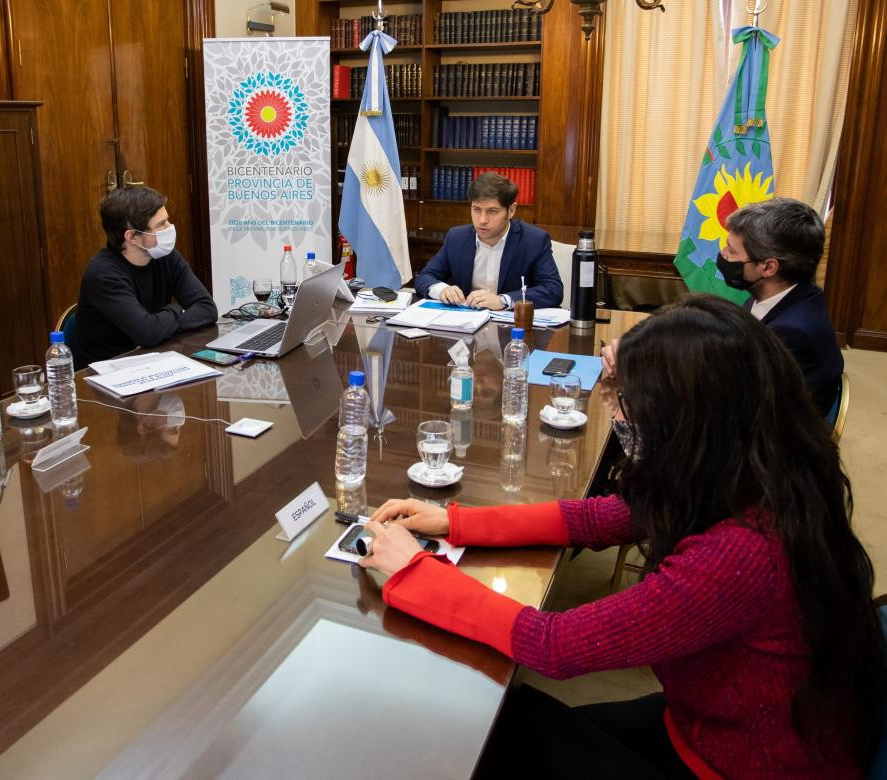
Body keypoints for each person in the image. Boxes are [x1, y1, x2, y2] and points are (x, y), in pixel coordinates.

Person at [361, 295, 884, 777]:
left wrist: (413, 570)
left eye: (632, 405)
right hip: (708, 722)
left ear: (691, 420)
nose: (620, 417)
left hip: (739, 763)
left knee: (494, 727)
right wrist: (454, 521)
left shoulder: (743, 551)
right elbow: (597, 518)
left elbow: (556, 645)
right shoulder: (755, 469)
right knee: (514, 722)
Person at [602, 198, 842, 414]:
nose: (722, 254)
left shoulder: (793, 333)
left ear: (768, 267)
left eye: (732, 250)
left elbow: (726, 399)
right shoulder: (777, 296)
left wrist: (639, 371)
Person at [71, 186, 217, 368]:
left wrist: (160, 323)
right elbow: (147, 332)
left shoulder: (166, 256)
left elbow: (207, 309)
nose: (170, 227)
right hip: (109, 376)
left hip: (154, 362)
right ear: (131, 237)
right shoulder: (103, 274)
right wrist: (178, 310)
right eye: (161, 224)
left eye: (167, 220)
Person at [413, 172, 562, 310]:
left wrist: (503, 301)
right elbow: (424, 277)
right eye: (476, 209)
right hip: (465, 324)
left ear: (511, 210)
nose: (482, 220)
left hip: (510, 328)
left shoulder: (533, 240)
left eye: (492, 211)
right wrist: (442, 290)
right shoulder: (457, 237)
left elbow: (553, 289)